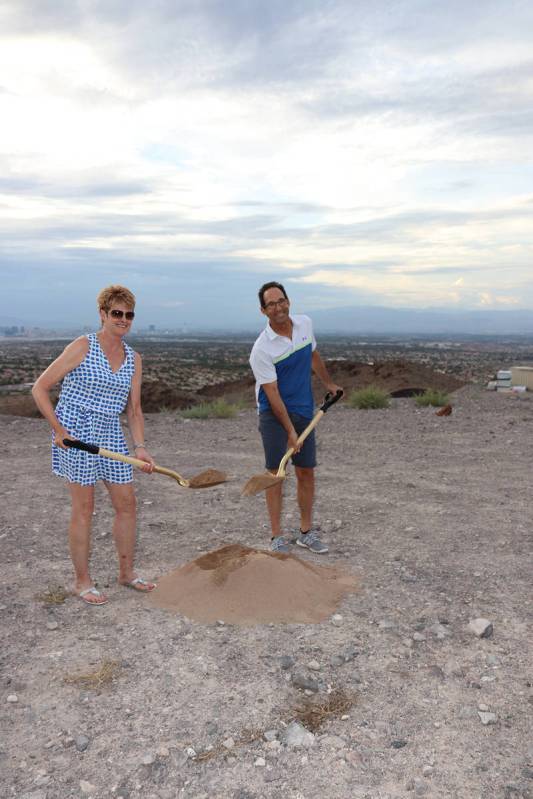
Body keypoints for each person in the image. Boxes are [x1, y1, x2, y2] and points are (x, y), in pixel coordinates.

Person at [32, 285, 156, 605]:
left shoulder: (134, 359)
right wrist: (59, 430)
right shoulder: (82, 346)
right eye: (117, 313)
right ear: (102, 314)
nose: (123, 319)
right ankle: (81, 581)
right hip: (76, 432)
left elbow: (134, 409)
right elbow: (40, 388)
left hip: (110, 432)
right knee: (85, 508)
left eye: (129, 315)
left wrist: (140, 447)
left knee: (127, 504)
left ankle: (127, 573)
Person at [249, 281, 343, 554]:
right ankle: (277, 537)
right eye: (271, 304)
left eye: (281, 301)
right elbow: (273, 393)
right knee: (276, 474)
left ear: (288, 301)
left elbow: (313, 356)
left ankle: (305, 532)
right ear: (263, 310)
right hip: (274, 413)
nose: (278, 307)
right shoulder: (262, 349)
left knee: (306, 472)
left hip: (303, 409)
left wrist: (328, 384)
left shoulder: (304, 324)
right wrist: (290, 431)